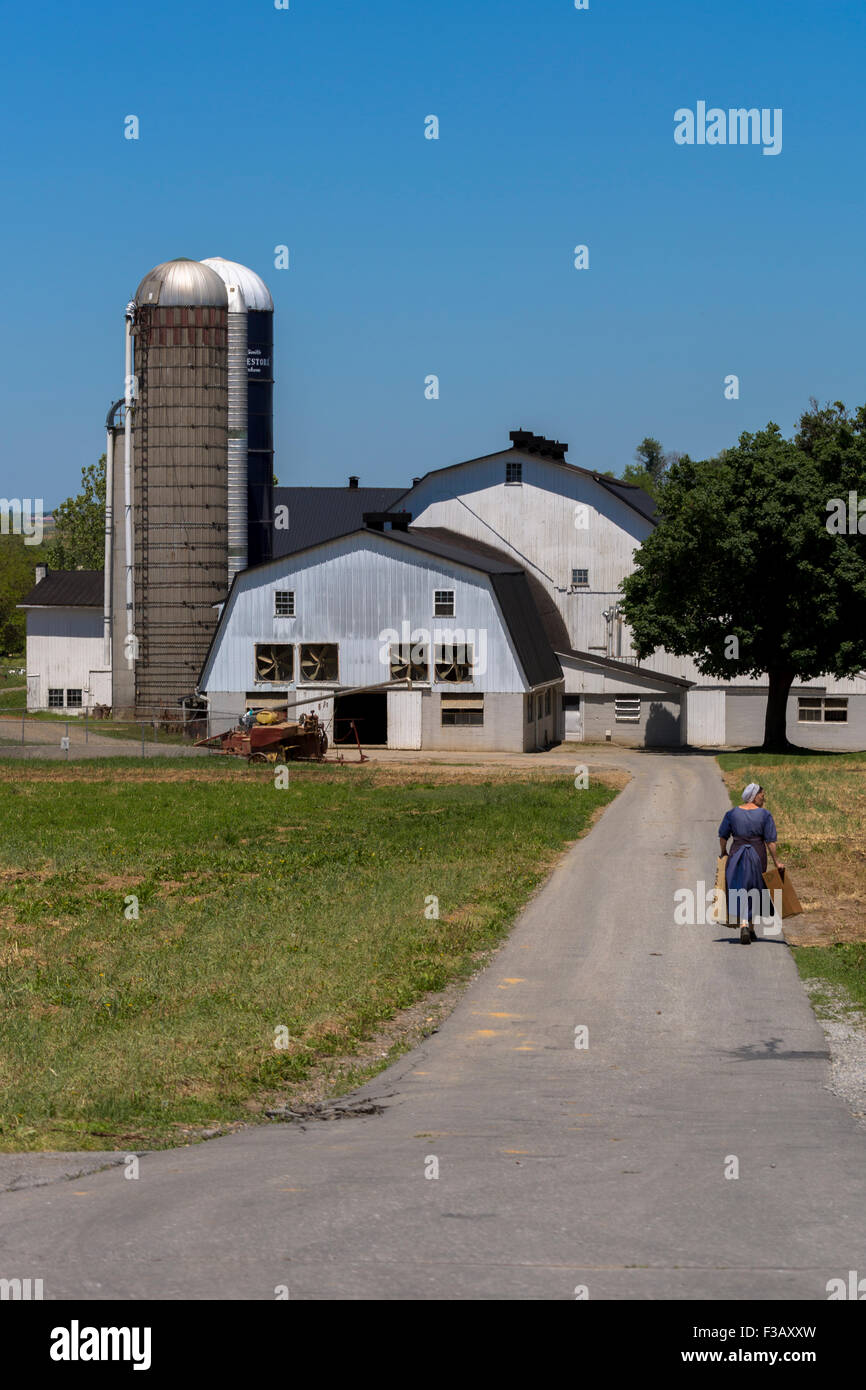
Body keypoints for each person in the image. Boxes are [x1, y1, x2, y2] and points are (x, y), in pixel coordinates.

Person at [718, 783, 784, 945]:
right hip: (757, 854)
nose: (764, 798)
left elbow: (723, 836)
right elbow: (770, 842)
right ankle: (747, 925)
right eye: (762, 794)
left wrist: (724, 851)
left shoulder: (732, 814)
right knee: (755, 888)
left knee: (739, 887)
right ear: (754, 795)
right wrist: (777, 861)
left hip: (736, 853)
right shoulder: (764, 815)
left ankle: (747, 926)